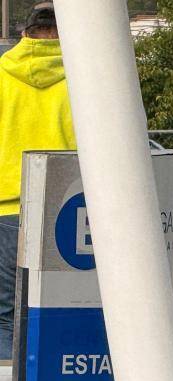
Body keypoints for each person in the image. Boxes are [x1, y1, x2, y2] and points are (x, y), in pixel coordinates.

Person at [0, 2, 76, 360]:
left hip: (6, 208)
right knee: (67, 309)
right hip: (67, 210)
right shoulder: (84, 77)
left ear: (24, 33)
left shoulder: (3, 74)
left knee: (6, 315)